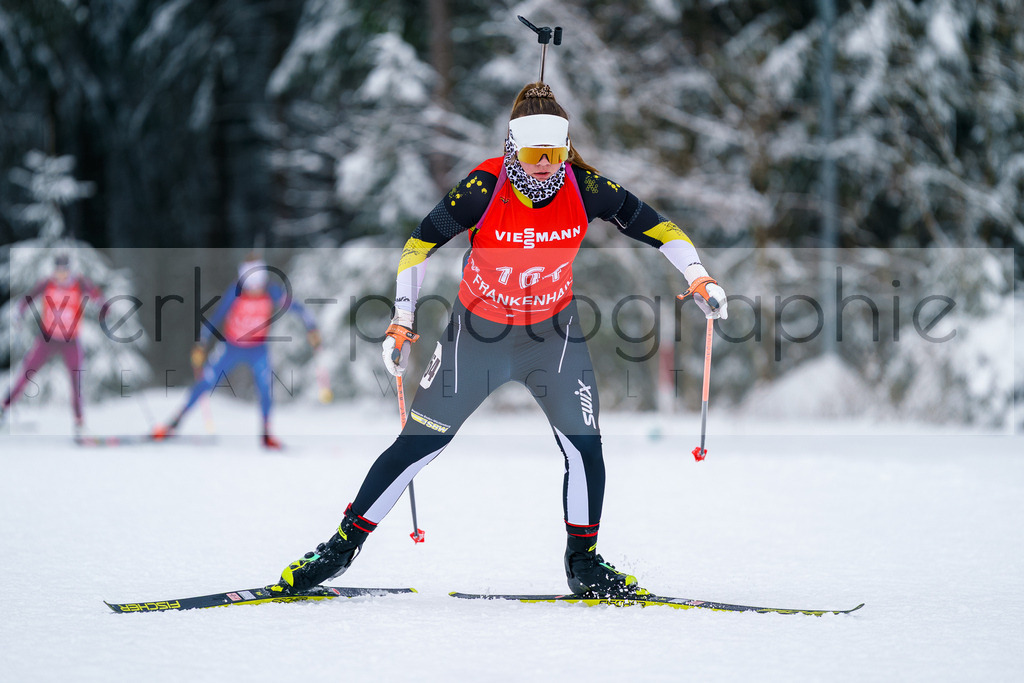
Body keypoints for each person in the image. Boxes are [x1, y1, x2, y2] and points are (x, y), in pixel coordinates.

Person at [275, 82, 728, 597]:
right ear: (513, 147)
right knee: (421, 444)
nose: (544, 165)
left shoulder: (585, 188)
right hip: (478, 337)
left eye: (554, 154)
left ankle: (584, 563)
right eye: (534, 153)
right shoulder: (483, 188)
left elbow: (660, 228)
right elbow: (418, 248)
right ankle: (338, 550)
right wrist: (403, 320)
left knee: (585, 448)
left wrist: (699, 276)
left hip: (551, 338)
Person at [152, 256, 322, 449]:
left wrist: (312, 328)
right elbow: (217, 316)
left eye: (258, 284)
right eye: (251, 284)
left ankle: (266, 434)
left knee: (265, 389)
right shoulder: (236, 291)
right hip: (231, 347)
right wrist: (201, 343)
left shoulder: (271, 291)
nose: (254, 289)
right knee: (205, 382)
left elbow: (297, 307)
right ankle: (173, 424)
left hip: (258, 348)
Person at [1, 254, 103, 433]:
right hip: (47, 339)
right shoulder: (47, 283)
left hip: (71, 341)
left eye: (64, 270)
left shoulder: (79, 283)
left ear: (69, 270)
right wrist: (20, 310)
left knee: (76, 380)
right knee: (27, 373)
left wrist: (105, 308)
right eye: (58, 270)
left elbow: (97, 297)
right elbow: (28, 298)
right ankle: (4, 407)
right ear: (54, 270)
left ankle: (79, 423)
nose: (61, 274)